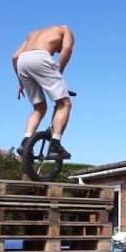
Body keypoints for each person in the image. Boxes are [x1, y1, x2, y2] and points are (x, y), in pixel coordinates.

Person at [13, 25, 74, 160]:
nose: (56, 51)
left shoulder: (32, 33)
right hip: (41, 58)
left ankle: (26, 142)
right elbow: (67, 48)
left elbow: (15, 56)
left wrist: (20, 82)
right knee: (64, 104)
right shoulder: (66, 30)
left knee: (39, 108)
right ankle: (55, 145)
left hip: (22, 62)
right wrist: (59, 71)